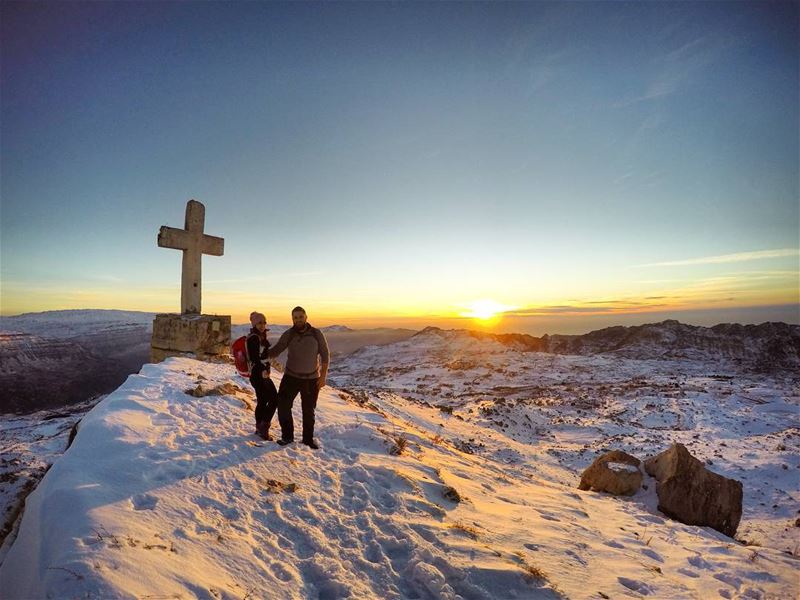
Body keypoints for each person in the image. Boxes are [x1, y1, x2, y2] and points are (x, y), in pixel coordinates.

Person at [268, 306, 329, 449]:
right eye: (295, 317)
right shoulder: (289, 334)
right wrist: (260, 353)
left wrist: (323, 377)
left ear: (306, 317)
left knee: (308, 410)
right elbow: (277, 349)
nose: (298, 320)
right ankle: (287, 436)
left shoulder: (316, 333)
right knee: (283, 405)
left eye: (301, 317)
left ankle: (308, 440)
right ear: (292, 319)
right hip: (291, 376)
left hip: (311, 378)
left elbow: (325, 355)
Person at [247, 311, 279, 441]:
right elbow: (255, 358)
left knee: (262, 400)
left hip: (258, 374)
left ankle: (259, 427)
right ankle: (263, 427)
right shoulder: (255, 338)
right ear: (254, 323)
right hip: (259, 374)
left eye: (264, 322)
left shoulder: (258, 336)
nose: (262, 325)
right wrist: (263, 370)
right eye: (259, 322)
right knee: (274, 399)